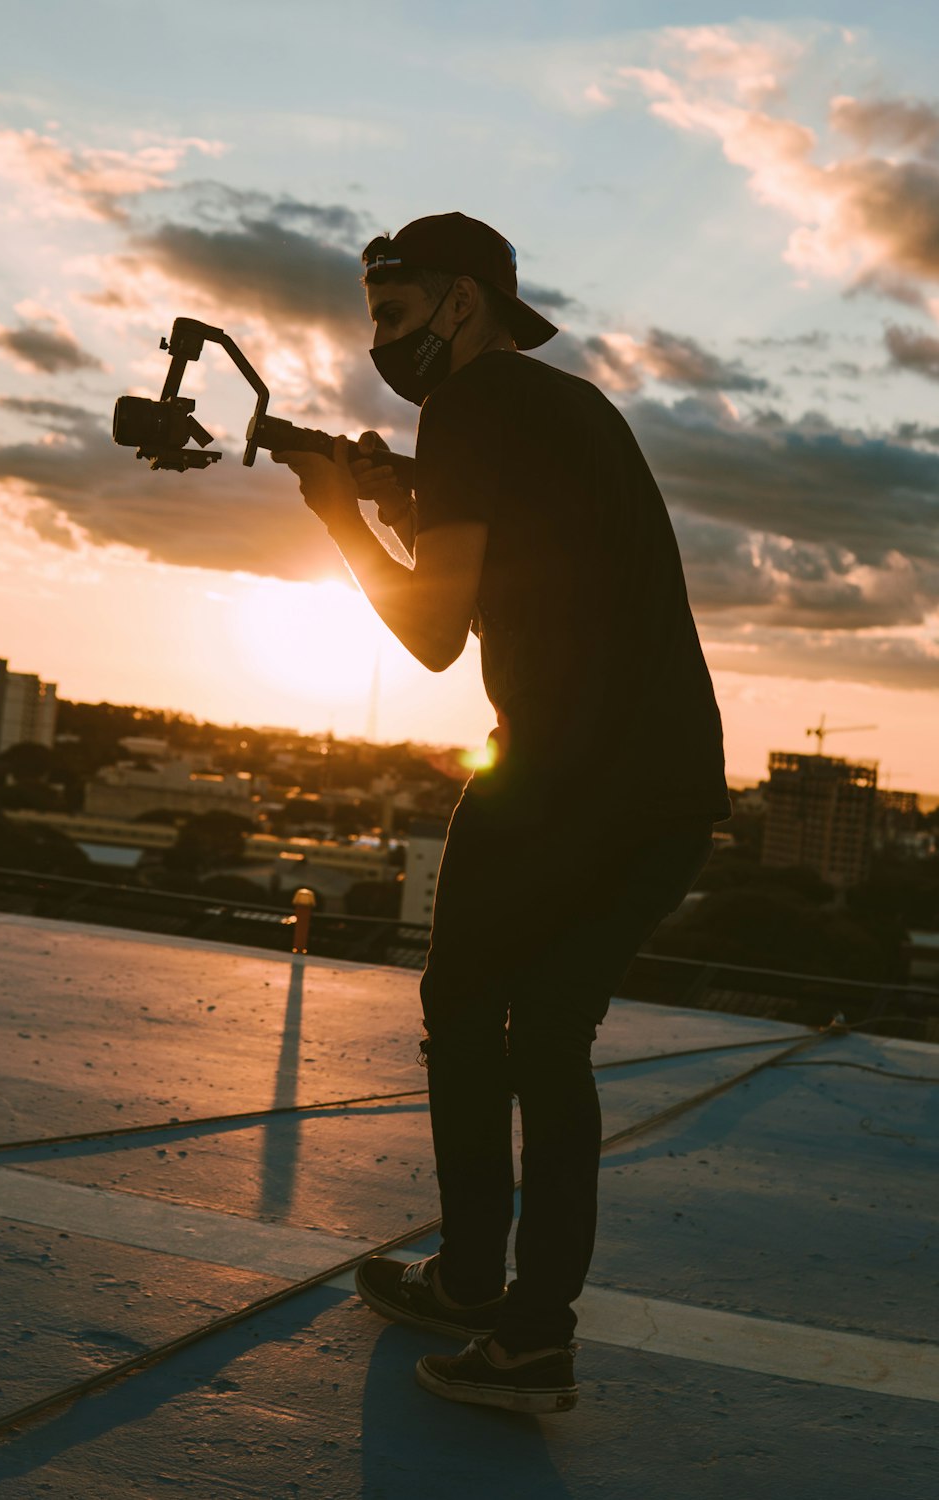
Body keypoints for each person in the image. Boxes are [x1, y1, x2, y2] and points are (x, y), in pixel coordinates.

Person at [272, 211, 730, 1415]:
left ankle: (481, 1287)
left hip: (563, 772)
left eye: (391, 311)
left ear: (460, 302)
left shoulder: (468, 411)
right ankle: (530, 1335)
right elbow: (529, 558)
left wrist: (334, 507)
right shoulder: (560, 406)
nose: (382, 338)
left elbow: (432, 632)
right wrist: (400, 491)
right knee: (551, 1042)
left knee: (468, 1014)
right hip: (671, 781)